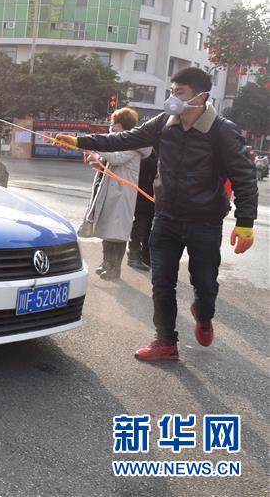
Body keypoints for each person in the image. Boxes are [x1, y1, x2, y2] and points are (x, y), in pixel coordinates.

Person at [56, 67, 258, 361]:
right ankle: (166, 342)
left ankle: (203, 315)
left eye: (180, 93)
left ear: (201, 97)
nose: (172, 98)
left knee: (205, 284)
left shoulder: (222, 130)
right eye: (171, 92)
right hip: (165, 218)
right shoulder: (164, 122)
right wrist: (80, 141)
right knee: (162, 283)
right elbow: (123, 139)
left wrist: (245, 222)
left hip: (204, 222)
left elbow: (244, 176)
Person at [77, 108, 152, 281]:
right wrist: (96, 160)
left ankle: (114, 268)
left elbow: (117, 158)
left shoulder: (133, 144)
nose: (111, 126)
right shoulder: (118, 142)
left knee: (117, 232)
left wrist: (94, 145)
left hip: (122, 193)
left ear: (122, 124)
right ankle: (106, 263)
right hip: (110, 191)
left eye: (113, 123)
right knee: (107, 229)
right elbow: (109, 160)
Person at [127, 150, 158, 271]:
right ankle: (134, 255)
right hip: (143, 192)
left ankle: (145, 256)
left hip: (150, 192)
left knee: (148, 225)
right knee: (141, 223)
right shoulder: (146, 149)